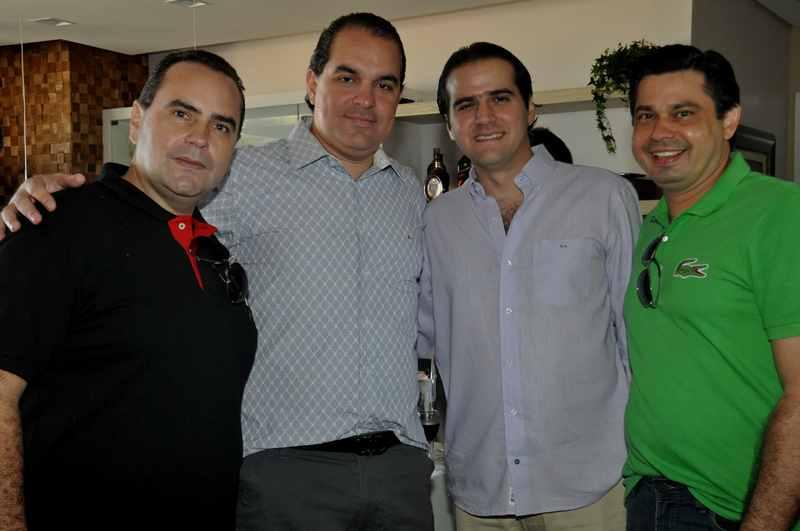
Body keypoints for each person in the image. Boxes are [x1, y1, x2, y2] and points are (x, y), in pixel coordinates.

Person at [0, 13, 433, 531]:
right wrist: (36, 202)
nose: (365, 98)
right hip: (286, 472)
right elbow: (132, 205)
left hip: (398, 469)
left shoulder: (411, 193)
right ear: (312, 83)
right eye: (347, 77)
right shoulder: (236, 176)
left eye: (384, 84)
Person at [0, 50, 256, 531]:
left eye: (221, 126)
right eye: (182, 113)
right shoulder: (57, 225)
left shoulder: (214, 253)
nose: (200, 138)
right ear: (137, 121)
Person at [417, 42, 640, 530]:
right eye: (465, 105)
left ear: (530, 108)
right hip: (481, 488)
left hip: (589, 486)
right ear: (449, 125)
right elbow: (424, 339)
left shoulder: (603, 197)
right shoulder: (437, 222)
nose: (484, 116)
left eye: (500, 98)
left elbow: (636, 341)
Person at [623, 44, 800, 531]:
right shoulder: (650, 225)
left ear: (729, 120)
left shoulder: (781, 213)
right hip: (649, 494)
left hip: (733, 511)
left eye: (683, 113)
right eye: (645, 115)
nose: (660, 132)